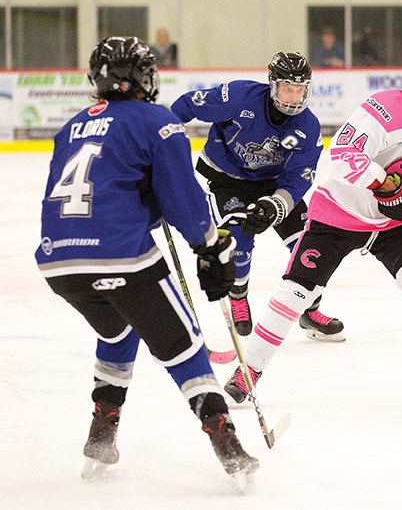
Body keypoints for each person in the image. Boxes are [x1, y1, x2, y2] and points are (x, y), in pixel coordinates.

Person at [34, 36, 257, 480]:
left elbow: (100, 193)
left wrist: (146, 205)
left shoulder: (70, 127)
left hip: (59, 263)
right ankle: (224, 437)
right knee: (183, 345)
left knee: (119, 331)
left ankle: (101, 433)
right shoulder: (158, 120)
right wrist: (212, 247)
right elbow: (185, 204)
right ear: (144, 78)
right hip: (122, 256)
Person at [222, 49, 402, 406]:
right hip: (337, 214)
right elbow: (343, 153)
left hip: (392, 225)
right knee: (295, 293)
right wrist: (385, 184)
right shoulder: (384, 108)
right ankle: (249, 372)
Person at [171, 51, 345, 343]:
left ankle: (310, 309)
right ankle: (239, 296)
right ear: (273, 85)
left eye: (300, 89)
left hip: (272, 184)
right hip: (228, 180)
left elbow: (299, 177)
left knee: (311, 244)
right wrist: (159, 139)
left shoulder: (308, 126)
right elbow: (187, 105)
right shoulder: (239, 97)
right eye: (288, 88)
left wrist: (274, 205)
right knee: (238, 240)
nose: (294, 97)